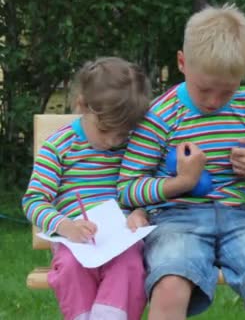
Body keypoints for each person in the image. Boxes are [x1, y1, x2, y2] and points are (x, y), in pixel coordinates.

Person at [117, 4, 245, 320]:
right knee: (170, 282)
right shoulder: (161, 116)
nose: (214, 101)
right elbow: (128, 189)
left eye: (227, 91)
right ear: (182, 63)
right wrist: (181, 184)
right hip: (176, 220)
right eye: (204, 89)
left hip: (240, 218)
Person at [22, 57, 152, 320]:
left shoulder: (131, 146)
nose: (113, 140)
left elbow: (144, 186)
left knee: (129, 266)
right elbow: (34, 200)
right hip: (74, 242)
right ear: (82, 106)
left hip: (121, 242)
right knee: (71, 267)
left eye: (122, 132)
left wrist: (140, 211)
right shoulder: (60, 146)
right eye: (105, 130)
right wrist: (65, 225)